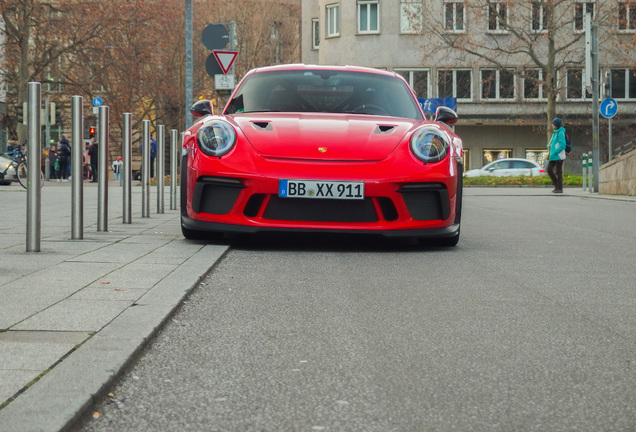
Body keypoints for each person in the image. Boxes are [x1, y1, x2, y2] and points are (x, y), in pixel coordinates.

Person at [547, 117, 567, 193]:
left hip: (558, 156)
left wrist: (555, 151)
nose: (552, 125)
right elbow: (552, 143)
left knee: (558, 172)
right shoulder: (555, 133)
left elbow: (562, 145)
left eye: (553, 124)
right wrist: (548, 146)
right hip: (553, 156)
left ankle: (560, 188)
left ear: (556, 125)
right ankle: (557, 186)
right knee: (549, 170)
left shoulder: (560, 133)